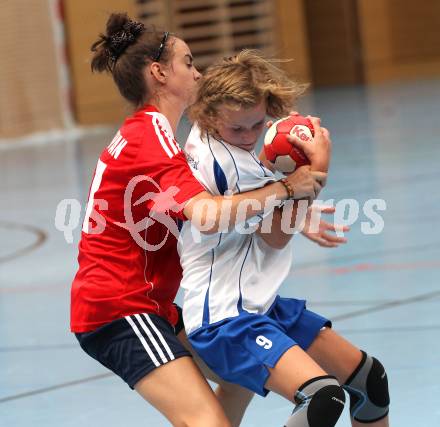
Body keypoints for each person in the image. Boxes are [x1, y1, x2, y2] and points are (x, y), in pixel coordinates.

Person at [70, 13, 328, 427]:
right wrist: (286, 189)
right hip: (120, 308)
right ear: (159, 73)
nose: (198, 73)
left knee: (239, 372)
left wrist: (291, 212)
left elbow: (216, 204)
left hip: (153, 304)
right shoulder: (150, 138)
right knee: (207, 422)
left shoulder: (153, 135)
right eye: (188, 63)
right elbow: (207, 215)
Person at [179, 50, 390, 427]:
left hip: (259, 304)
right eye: (237, 130)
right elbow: (276, 235)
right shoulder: (235, 166)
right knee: (322, 397)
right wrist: (314, 170)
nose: (248, 137)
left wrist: (292, 203)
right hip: (227, 317)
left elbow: (264, 214)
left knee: (367, 381)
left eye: (257, 125)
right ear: (210, 115)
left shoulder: (202, 132)